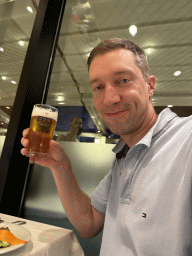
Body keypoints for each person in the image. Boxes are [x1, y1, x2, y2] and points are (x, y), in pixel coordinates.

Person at [21, 38, 192, 255]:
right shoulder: (122, 158)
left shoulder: (186, 138)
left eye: (123, 80)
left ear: (149, 86)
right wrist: (60, 165)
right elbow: (88, 224)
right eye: (99, 87)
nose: (110, 98)